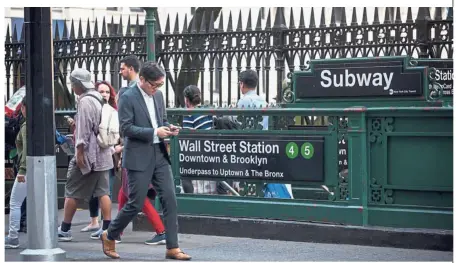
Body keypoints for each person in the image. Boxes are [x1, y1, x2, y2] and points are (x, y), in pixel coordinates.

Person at [100, 62, 191, 260]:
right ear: (141, 79)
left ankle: (172, 247)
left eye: (159, 85)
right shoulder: (127, 97)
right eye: (153, 85)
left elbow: (162, 121)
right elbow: (126, 129)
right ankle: (110, 234)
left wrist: (169, 128)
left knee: (170, 199)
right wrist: (154, 132)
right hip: (138, 157)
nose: (156, 89)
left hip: (159, 154)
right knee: (136, 202)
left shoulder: (158, 95)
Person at [90, 80, 167, 246]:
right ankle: (116, 233)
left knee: (135, 198)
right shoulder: (131, 108)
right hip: (136, 158)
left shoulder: (123, 109)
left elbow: (130, 134)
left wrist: (120, 149)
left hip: (133, 160)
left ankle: (161, 231)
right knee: (124, 195)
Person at [58, 68, 114, 242]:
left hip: (89, 154)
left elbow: (83, 130)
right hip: (103, 153)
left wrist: (80, 151)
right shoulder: (98, 98)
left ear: (76, 84)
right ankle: (106, 228)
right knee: (103, 191)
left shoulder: (84, 102)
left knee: (72, 190)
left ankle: (65, 229)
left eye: (72, 84)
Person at [237, 70, 293, 199]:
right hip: (264, 146)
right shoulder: (263, 101)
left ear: (242, 84)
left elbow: (237, 124)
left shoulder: (242, 102)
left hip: (249, 149)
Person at [81, 81, 120, 238]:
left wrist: (118, 149)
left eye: (107, 92)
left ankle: (106, 225)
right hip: (93, 154)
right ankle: (94, 221)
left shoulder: (113, 111)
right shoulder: (93, 108)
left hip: (109, 154)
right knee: (93, 192)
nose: (104, 94)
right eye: (101, 91)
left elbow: (119, 134)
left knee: (105, 191)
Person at [182, 85, 216, 194]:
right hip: (211, 151)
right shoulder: (207, 110)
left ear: (186, 100)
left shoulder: (189, 114)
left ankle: (188, 194)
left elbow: (187, 139)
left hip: (197, 154)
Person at [5, 96, 27, 248]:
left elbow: (25, 151)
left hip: (25, 170)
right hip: (36, 169)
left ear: (24, 108)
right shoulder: (39, 124)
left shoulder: (26, 126)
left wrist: (22, 171)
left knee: (14, 203)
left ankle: (13, 237)